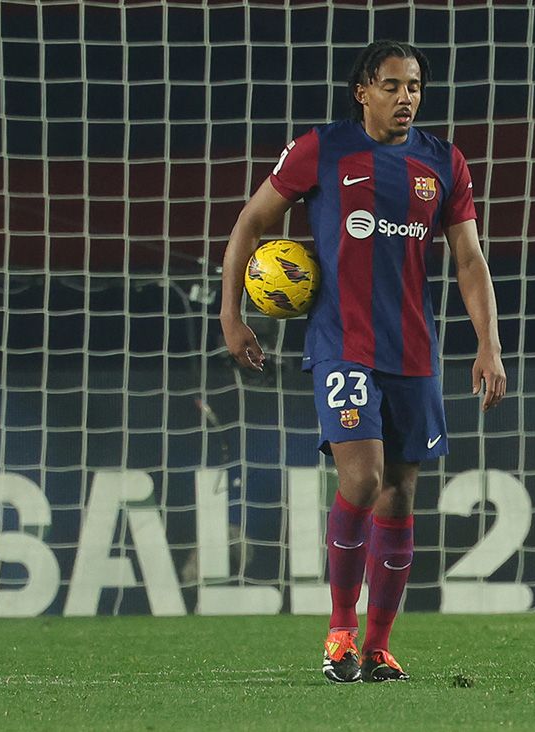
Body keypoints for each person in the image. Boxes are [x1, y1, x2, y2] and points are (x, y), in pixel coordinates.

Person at [220, 40, 506, 683]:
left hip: (412, 351)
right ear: (363, 90)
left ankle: (377, 646)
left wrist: (488, 342)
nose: (405, 97)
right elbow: (250, 223)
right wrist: (232, 315)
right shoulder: (323, 149)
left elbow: (468, 259)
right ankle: (340, 630)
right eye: (393, 85)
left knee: (401, 495)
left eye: (414, 87)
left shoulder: (443, 162)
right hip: (342, 345)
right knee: (362, 479)